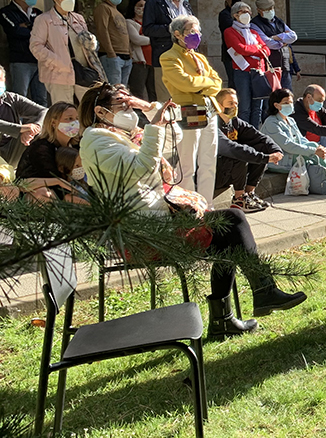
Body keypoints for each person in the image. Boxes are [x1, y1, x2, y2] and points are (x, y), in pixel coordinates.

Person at [78, 82, 306, 338]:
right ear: (100, 112)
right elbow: (141, 167)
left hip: (156, 221)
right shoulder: (96, 141)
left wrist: (146, 108)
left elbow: (173, 137)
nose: (129, 110)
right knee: (232, 220)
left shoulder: (124, 136)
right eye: (123, 105)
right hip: (143, 235)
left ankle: (231, 316)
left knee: (228, 231)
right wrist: (153, 126)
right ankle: (254, 297)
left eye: (131, 103)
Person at [160, 14, 222, 205]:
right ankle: (189, 206)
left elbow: (218, 83)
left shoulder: (200, 57)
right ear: (177, 34)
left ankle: (207, 205)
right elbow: (185, 82)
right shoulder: (169, 57)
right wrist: (206, 84)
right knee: (187, 164)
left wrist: (202, 85)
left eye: (198, 31)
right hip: (188, 111)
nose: (196, 34)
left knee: (208, 161)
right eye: (191, 31)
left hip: (209, 110)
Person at [261, 88, 326, 194]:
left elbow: (301, 139)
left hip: (296, 155)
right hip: (281, 161)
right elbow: (289, 145)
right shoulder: (271, 123)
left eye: (291, 102)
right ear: (276, 105)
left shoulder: (290, 120)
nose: (290, 105)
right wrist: (313, 151)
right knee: (316, 164)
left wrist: (316, 147)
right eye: (285, 103)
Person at [30, 0, 104, 105]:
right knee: (64, 111)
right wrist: (58, 62)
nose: (71, 0)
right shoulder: (44, 20)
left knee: (90, 109)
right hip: (59, 74)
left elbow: (86, 40)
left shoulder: (78, 18)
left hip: (83, 71)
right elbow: (36, 47)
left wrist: (92, 42)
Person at [214, 87, 282, 213]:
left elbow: (260, 137)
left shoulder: (235, 122)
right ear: (219, 106)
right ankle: (239, 199)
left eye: (236, 103)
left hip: (230, 170)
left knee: (261, 148)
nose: (234, 106)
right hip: (213, 174)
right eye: (230, 103)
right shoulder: (212, 125)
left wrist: (276, 151)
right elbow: (230, 148)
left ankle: (249, 193)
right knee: (241, 153)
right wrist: (264, 158)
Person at [142, 0, 192, 103]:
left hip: (185, 55)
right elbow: (147, 29)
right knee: (166, 98)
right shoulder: (154, 3)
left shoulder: (185, 3)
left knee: (185, 95)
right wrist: (172, 28)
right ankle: (166, 123)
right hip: (164, 55)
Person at [223, 1, 272, 127]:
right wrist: (257, 48)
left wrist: (250, 50)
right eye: (242, 12)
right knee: (244, 107)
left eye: (248, 12)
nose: (247, 14)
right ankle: (243, 134)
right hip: (242, 72)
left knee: (258, 108)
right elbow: (240, 49)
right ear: (235, 15)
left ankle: (254, 133)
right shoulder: (230, 31)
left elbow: (267, 50)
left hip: (258, 72)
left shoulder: (253, 33)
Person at [14, 101, 73, 197]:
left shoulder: (77, 146)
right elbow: (24, 182)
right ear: (53, 123)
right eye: (69, 119)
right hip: (40, 193)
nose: (74, 123)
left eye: (77, 119)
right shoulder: (41, 148)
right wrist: (60, 182)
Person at [0, 0, 46, 104]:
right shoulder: (6, 12)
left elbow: (46, 33)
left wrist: (27, 27)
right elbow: (14, 31)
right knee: (20, 98)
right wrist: (34, 31)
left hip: (39, 60)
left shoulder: (37, 13)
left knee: (41, 98)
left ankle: (41, 123)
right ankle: (19, 123)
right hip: (21, 61)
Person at [252, 0, 298, 115]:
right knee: (271, 97)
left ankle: (288, 118)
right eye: (267, 9)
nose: (270, 11)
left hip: (285, 64)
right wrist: (283, 40)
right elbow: (268, 43)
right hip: (270, 65)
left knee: (287, 94)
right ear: (259, 10)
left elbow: (293, 36)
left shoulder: (279, 21)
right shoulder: (255, 24)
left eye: (271, 8)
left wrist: (277, 37)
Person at [0, 65, 44, 165]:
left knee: (40, 130)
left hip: (11, 150)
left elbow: (45, 111)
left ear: (4, 79)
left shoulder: (12, 99)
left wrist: (35, 127)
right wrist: (21, 129)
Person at [93, 0, 132, 87]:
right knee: (113, 92)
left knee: (122, 92)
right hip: (111, 56)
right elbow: (102, 30)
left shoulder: (118, 12)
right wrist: (111, 53)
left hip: (125, 57)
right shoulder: (103, 8)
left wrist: (130, 52)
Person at [125, 0, 153, 101]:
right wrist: (154, 39)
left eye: (145, 6)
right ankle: (139, 116)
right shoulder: (129, 22)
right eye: (140, 5)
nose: (143, 8)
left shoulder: (150, 23)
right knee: (138, 92)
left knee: (153, 92)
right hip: (139, 63)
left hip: (152, 62)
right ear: (133, 7)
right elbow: (136, 39)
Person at [218, 0, 242, 89]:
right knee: (234, 82)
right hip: (230, 54)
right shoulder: (224, 14)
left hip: (243, 52)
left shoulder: (244, 14)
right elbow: (232, 28)